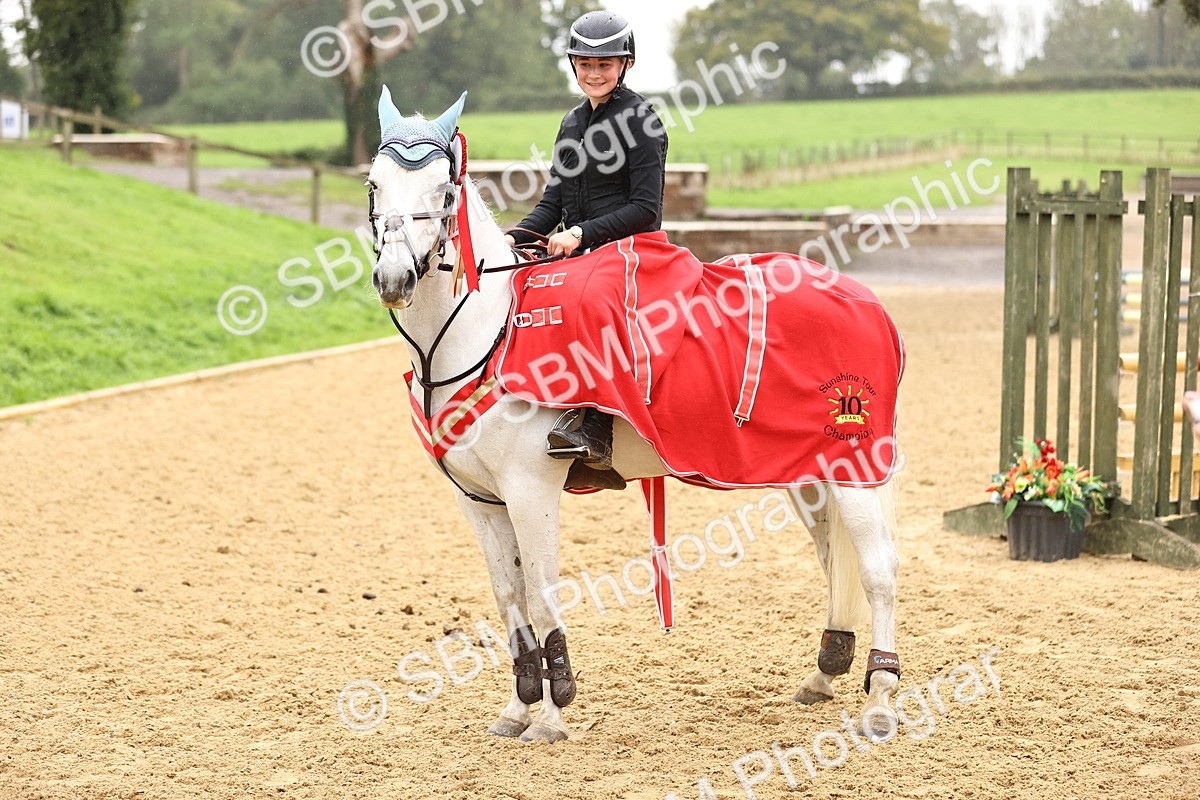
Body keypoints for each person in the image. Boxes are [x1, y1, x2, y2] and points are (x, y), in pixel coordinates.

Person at [505, 10, 668, 485]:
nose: (594, 73)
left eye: (606, 64)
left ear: (626, 65)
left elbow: (645, 209)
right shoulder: (572, 122)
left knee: (587, 299)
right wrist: (510, 241)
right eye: (585, 64)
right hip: (579, 251)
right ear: (573, 65)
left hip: (631, 249)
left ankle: (596, 425)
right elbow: (552, 202)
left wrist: (580, 235)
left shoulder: (642, 120)